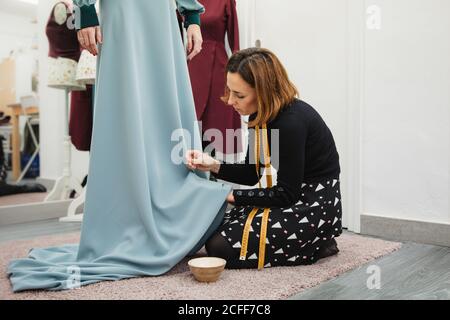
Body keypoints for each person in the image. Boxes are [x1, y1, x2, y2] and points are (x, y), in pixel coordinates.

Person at [7, 0, 231, 292]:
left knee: (166, 111)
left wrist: (191, 16)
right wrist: (86, 9)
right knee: (125, 111)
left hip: (162, 15)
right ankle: (129, 223)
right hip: (124, 11)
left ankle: (174, 216)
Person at [186, 48, 343, 269]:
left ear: (264, 92)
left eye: (239, 95)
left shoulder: (291, 122)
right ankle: (313, 242)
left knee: (220, 246)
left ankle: (319, 241)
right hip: (292, 196)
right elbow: (251, 173)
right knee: (213, 225)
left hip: (312, 205)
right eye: (230, 91)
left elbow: (286, 194)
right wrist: (212, 165)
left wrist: (231, 196)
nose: (230, 101)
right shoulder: (262, 116)